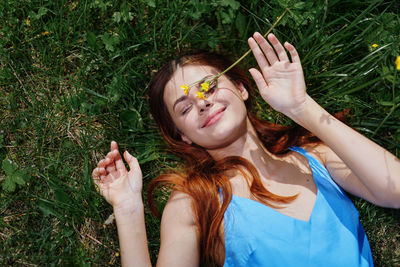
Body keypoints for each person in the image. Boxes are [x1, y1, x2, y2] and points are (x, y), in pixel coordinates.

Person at [92, 32, 400, 266]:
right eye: (184, 108)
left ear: (241, 88)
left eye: (209, 87)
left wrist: (302, 108)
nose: (202, 102)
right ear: (182, 136)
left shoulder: (316, 157)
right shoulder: (195, 200)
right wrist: (128, 210)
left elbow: (395, 189)